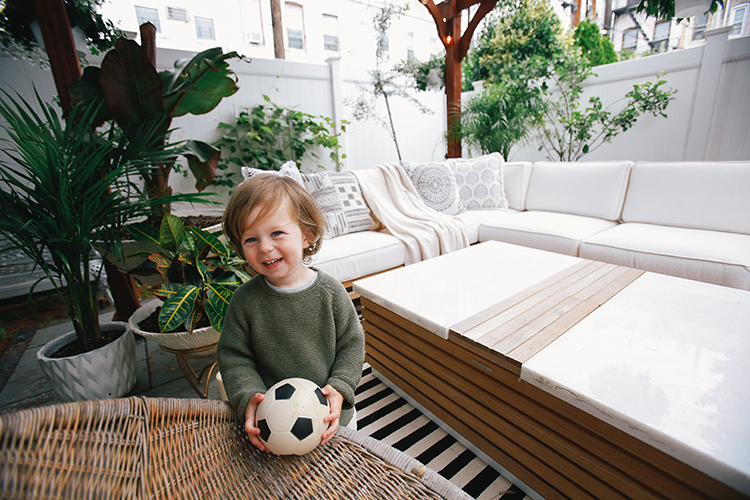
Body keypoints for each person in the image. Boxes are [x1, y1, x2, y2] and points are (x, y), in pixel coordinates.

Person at [217, 173, 365, 452]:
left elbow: (352, 345)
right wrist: (248, 396)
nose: (265, 247)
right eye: (250, 239)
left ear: (307, 234)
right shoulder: (245, 301)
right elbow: (234, 357)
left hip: (333, 418)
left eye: (276, 233)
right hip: (273, 427)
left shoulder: (331, 293)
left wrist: (341, 386)